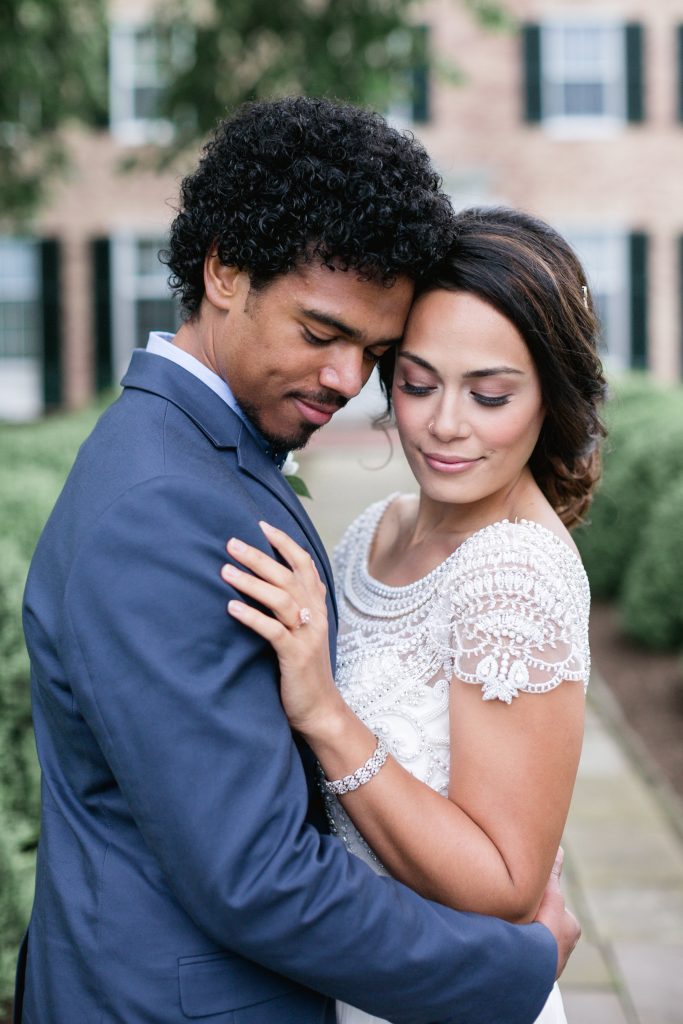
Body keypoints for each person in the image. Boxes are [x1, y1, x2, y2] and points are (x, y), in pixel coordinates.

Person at [18, 98, 577, 1024]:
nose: (345, 381)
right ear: (225, 272)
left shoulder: (201, 452)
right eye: (321, 335)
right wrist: (504, 967)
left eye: (373, 352)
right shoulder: (165, 503)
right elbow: (252, 874)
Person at [220, 206, 606, 1024]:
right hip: (358, 972)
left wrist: (324, 715)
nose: (442, 425)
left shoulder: (516, 572)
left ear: (550, 395)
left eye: (490, 394)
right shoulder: (377, 529)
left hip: (450, 997)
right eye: (417, 382)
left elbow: (506, 887)